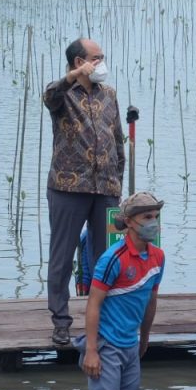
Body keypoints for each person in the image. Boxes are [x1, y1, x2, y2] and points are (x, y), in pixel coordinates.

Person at [44, 37, 125, 346]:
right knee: (62, 257)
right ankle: (61, 321)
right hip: (68, 186)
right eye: (97, 57)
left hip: (105, 186)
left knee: (106, 256)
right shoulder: (63, 94)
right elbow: (50, 94)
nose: (102, 62)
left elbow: (117, 139)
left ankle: (102, 318)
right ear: (80, 62)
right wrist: (70, 78)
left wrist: (117, 181)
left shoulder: (108, 94)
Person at [76, 192, 164, 390]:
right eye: (146, 217)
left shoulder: (158, 257)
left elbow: (150, 301)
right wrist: (91, 351)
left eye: (155, 216)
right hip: (107, 345)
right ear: (128, 222)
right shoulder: (113, 259)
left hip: (130, 345)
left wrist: (144, 339)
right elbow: (93, 304)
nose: (153, 222)